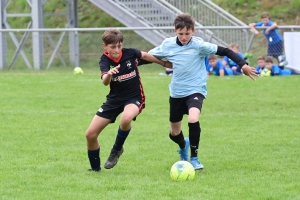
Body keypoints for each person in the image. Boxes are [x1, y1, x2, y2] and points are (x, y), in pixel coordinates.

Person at [148, 13, 257, 170]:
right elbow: (146, 56)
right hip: (177, 92)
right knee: (173, 133)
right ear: (175, 31)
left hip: (195, 90)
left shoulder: (199, 45)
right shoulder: (167, 45)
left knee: (193, 119)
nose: (184, 37)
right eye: (181, 34)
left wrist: (243, 64)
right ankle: (183, 144)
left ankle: (194, 158)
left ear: (194, 31)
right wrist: (130, 64)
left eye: (187, 33)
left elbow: (225, 51)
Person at [85, 29, 172, 172]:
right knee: (90, 134)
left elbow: (144, 55)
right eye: (113, 47)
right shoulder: (105, 60)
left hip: (134, 97)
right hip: (114, 100)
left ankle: (116, 150)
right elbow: (105, 82)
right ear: (105, 46)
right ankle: (95, 170)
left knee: (126, 119)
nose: (117, 50)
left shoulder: (130, 53)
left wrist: (163, 64)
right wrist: (109, 74)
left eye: (119, 46)